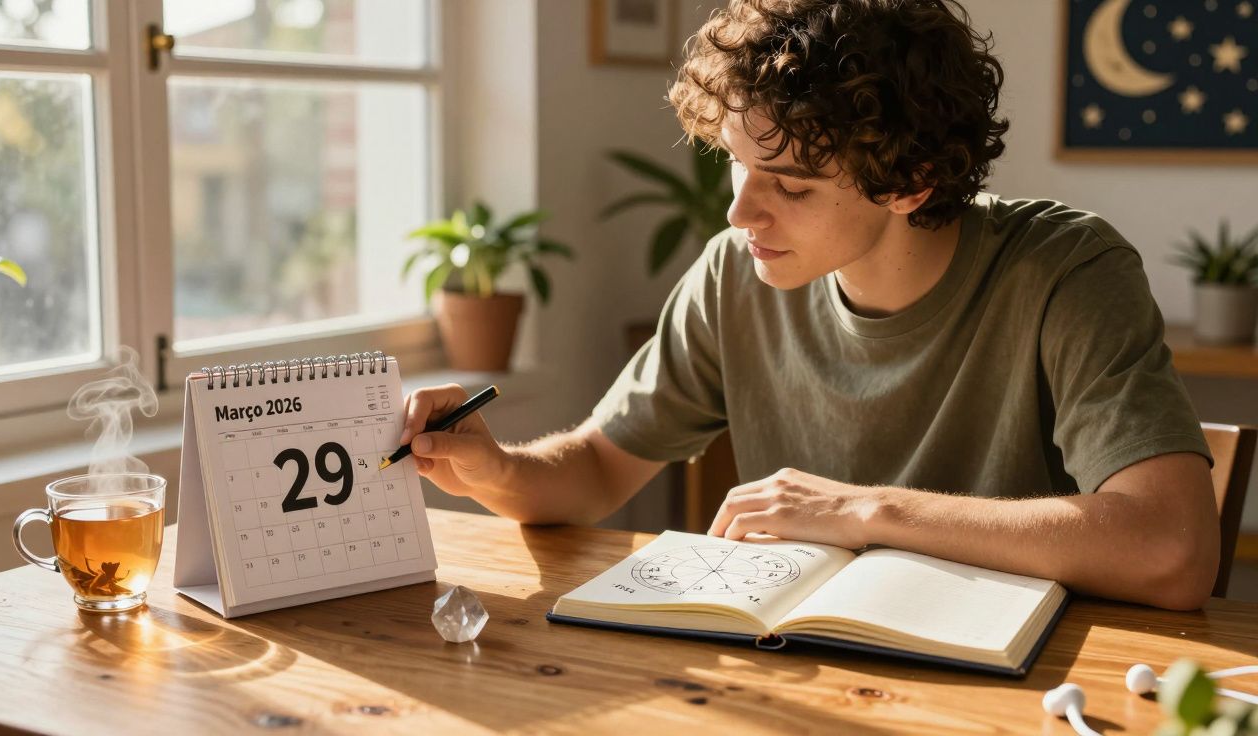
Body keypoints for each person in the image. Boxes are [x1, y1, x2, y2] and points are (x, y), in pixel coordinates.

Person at [402, 0, 1218, 610]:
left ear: (909, 182)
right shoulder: (736, 273)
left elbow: (1173, 549)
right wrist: (496, 469)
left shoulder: (1066, 269)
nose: (738, 214)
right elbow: (595, 469)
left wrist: (863, 510)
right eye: (737, 165)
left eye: (789, 185)